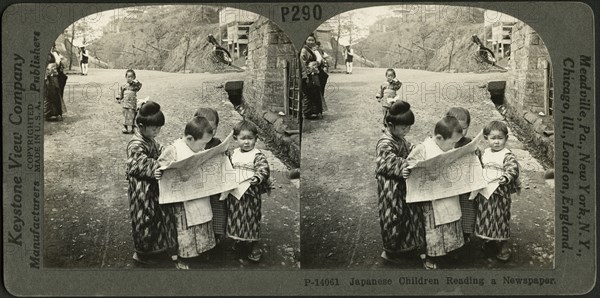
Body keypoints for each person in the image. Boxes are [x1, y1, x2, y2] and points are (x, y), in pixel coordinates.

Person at [405, 116, 465, 269]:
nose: (454, 146)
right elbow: (410, 163)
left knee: (452, 222)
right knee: (433, 228)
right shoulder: (424, 148)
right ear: (439, 138)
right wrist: (408, 170)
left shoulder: (450, 149)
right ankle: (431, 256)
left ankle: (451, 249)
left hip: (448, 192)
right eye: (452, 143)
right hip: (431, 199)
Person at [158, 116, 217, 269]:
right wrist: (159, 172)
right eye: (202, 143)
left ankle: (203, 250)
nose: (204, 148)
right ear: (190, 138)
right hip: (182, 200)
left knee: (203, 221)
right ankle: (184, 256)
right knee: (185, 228)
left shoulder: (199, 150)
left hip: (199, 193)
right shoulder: (174, 149)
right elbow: (161, 165)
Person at [126, 101, 176, 265]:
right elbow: (139, 163)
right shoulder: (136, 144)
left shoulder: (150, 139)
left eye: (159, 128)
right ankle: (143, 253)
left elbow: (161, 150)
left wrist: (172, 151)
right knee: (145, 219)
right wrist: (157, 166)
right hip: (142, 190)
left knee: (155, 217)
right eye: (154, 128)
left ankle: (156, 249)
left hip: (151, 187)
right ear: (141, 126)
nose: (157, 132)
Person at [375, 101, 424, 264]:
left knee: (405, 215)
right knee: (393, 216)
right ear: (390, 125)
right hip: (391, 188)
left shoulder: (399, 138)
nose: (407, 131)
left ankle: (405, 247)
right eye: (404, 128)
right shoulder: (385, 142)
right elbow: (386, 161)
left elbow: (409, 147)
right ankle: (391, 252)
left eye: (408, 127)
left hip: (401, 185)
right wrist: (403, 165)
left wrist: (420, 148)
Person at [475, 120, 521, 261]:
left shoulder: (507, 155)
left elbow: (513, 168)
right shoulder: (486, 153)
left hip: (500, 194)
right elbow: (479, 166)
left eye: (500, 138)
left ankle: (503, 245)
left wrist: (506, 177)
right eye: (493, 138)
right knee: (486, 217)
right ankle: (488, 239)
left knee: (500, 219)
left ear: (506, 138)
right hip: (486, 193)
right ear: (486, 138)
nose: (496, 142)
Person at [226, 120, 271, 262]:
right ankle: (240, 240)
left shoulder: (257, 155)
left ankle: (254, 244)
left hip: (251, 195)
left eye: (250, 138)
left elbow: (263, 169)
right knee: (236, 218)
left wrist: (257, 178)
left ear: (256, 138)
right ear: (236, 138)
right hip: (236, 194)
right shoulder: (234, 154)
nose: (246, 142)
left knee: (251, 219)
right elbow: (228, 168)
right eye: (242, 138)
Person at [193, 108, 227, 242]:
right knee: (199, 211)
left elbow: (225, 161)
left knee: (218, 209)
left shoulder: (217, 143)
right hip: (198, 186)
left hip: (214, 186)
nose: (210, 133)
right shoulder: (192, 142)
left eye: (214, 129)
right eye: (206, 129)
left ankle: (217, 235)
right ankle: (201, 237)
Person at [445, 107, 478, 242]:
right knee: (450, 211)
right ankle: (451, 236)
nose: (460, 132)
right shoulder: (444, 142)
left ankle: (465, 235)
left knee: (467, 210)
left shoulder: (469, 143)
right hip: (449, 185)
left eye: (464, 128)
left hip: (465, 186)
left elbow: (476, 162)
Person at [299, 34, 323, 119]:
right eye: (309, 40)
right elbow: (303, 64)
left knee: (315, 92)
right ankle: (307, 113)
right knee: (308, 93)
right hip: (308, 74)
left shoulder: (313, 50)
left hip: (314, 73)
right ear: (305, 41)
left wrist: (316, 64)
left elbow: (319, 60)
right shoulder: (304, 50)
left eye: (312, 40)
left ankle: (314, 111)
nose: (311, 42)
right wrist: (306, 75)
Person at [116, 69, 143, 134]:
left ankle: (133, 128)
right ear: (126, 77)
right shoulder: (124, 85)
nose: (130, 78)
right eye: (128, 77)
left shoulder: (135, 86)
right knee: (125, 115)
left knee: (133, 115)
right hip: (125, 104)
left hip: (133, 104)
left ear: (134, 78)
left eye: (132, 77)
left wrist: (136, 82)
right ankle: (125, 127)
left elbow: (140, 86)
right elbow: (121, 92)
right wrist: (119, 98)